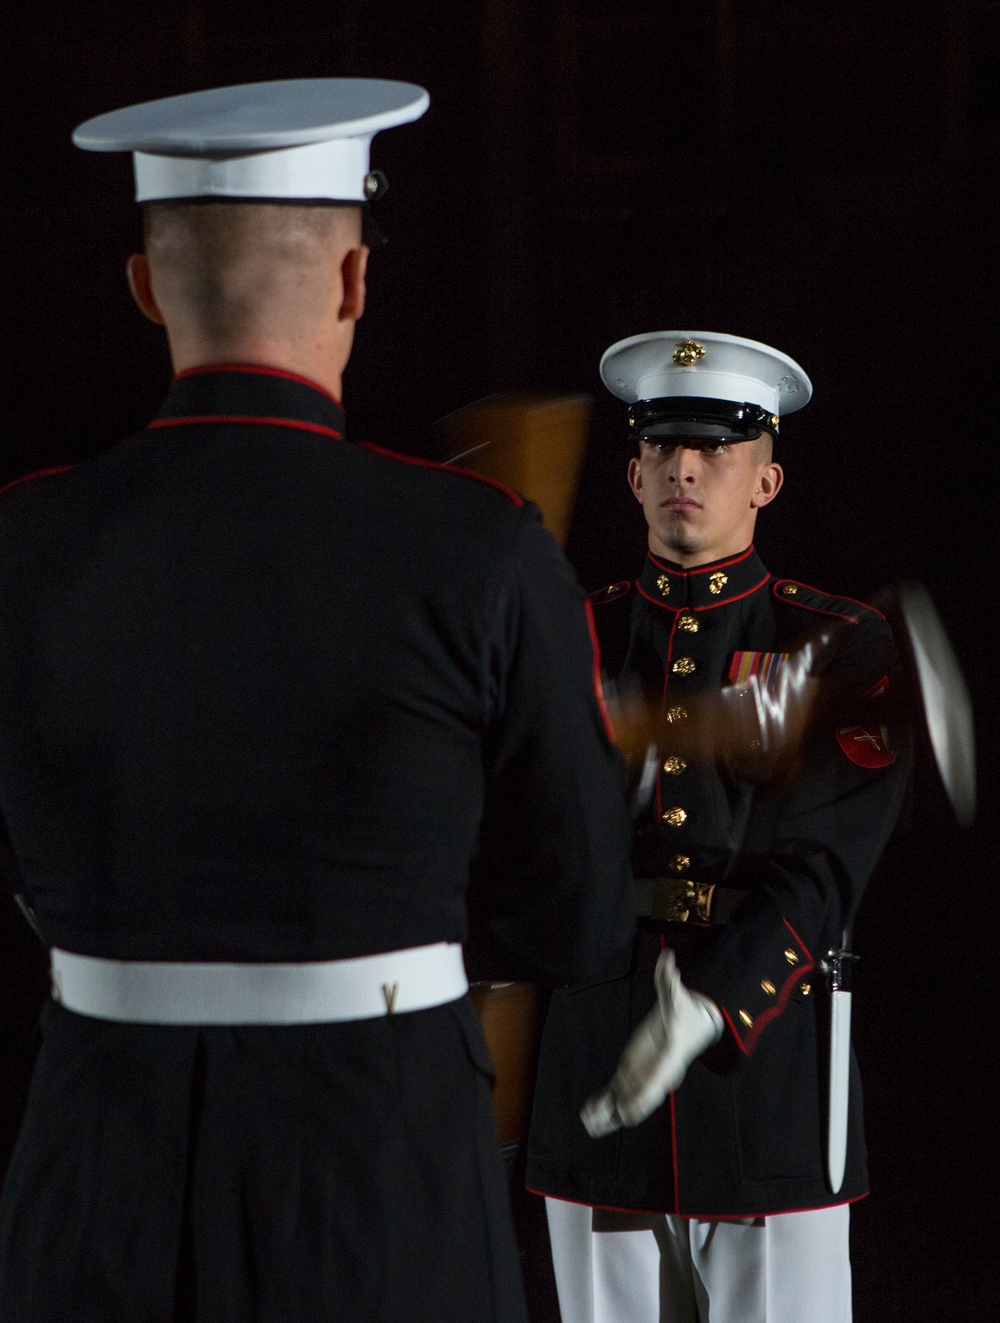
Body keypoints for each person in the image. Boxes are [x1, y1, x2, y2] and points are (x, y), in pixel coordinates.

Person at [0, 79, 636, 1323]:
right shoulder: (477, 549)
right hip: (378, 1160)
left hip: (94, 1159)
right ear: (353, 281)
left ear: (145, 286)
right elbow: (579, 921)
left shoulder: (21, 546)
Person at [526, 331, 911, 1323]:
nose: (684, 468)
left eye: (716, 448)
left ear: (765, 480)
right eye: (661, 446)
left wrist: (708, 1004)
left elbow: (826, 868)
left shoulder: (829, 647)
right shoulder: (570, 636)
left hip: (766, 1063)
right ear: (633, 470)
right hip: (597, 1048)